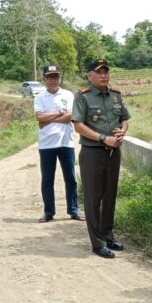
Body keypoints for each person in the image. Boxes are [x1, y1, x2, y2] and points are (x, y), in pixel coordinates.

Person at [72, 59, 130, 259]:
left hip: (113, 153)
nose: (104, 75)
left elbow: (124, 118)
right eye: (99, 72)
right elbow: (78, 125)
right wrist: (103, 138)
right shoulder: (83, 96)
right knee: (93, 198)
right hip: (93, 153)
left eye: (106, 72)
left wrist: (122, 130)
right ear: (90, 76)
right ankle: (97, 243)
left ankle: (108, 235)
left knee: (110, 195)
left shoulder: (115, 95)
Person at [34, 64, 85, 223]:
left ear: (60, 78)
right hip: (46, 144)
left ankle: (73, 209)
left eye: (55, 76)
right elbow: (39, 117)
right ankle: (48, 212)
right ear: (44, 79)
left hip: (66, 142)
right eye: (49, 77)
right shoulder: (40, 97)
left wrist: (47, 119)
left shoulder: (68, 95)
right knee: (47, 180)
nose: (53, 80)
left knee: (70, 178)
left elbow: (71, 116)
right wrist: (59, 113)